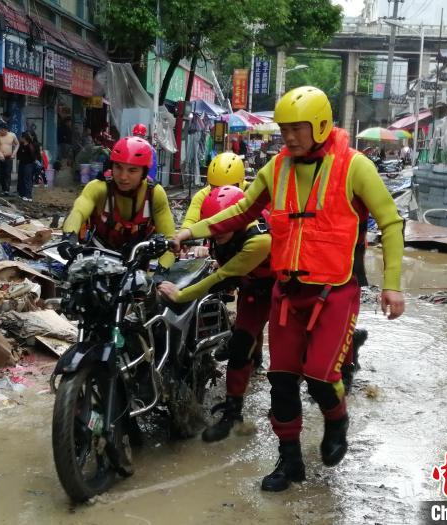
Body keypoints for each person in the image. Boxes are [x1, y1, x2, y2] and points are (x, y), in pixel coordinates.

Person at [173, 86, 405, 492]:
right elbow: (241, 209)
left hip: (334, 293)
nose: (289, 137)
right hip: (286, 293)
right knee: (281, 380)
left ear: (319, 125)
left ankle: (337, 421)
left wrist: (392, 284)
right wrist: (190, 230)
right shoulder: (275, 168)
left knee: (319, 376)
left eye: (297, 129)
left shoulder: (354, 167)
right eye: (284, 129)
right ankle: (290, 459)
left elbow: (390, 221)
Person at [158, 185, 273, 442]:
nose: (217, 233)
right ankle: (233, 414)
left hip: (283, 291)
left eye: (223, 228)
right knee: (240, 344)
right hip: (253, 289)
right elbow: (208, 226)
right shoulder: (220, 227)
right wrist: (181, 236)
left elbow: (221, 277)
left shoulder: (259, 240)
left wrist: (181, 294)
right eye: (215, 228)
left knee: (295, 355)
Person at [58, 136, 175, 271]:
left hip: (136, 265)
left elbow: (170, 240)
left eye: (132, 170)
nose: (123, 177)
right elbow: (78, 211)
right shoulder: (98, 187)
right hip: (97, 261)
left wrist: (162, 272)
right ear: (111, 166)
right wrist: (68, 237)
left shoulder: (155, 194)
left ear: (144, 172)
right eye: (118, 167)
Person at [181, 152, 246, 230]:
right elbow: (190, 221)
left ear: (240, 184)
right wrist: (184, 232)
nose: (221, 193)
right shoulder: (202, 195)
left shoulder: (252, 192)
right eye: (215, 188)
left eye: (227, 188)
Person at [0, 123, 19, 196]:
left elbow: (17, 144)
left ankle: (7, 190)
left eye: (2, 130)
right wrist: (0, 154)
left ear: (6, 130)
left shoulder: (12, 135)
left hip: (9, 157)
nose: (1, 131)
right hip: (0, 157)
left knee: (7, 173)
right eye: (0, 130)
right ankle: (3, 189)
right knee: (1, 173)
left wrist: (14, 153)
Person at [17, 131, 39, 202]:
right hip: (21, 164)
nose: (20, 138)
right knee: (21, 179)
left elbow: (34, 156)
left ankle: (28, 195)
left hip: (29, 164)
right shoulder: (21, 145)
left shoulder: (31, 145)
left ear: (24, 138)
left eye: (21, 137)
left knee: (27, 179)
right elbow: (19, 154)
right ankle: (22, 194)